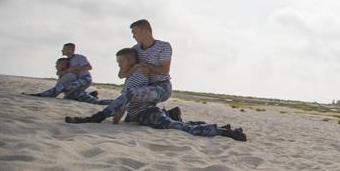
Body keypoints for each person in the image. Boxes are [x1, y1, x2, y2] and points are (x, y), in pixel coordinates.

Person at [67, 49, 245, 141]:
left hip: (148, 114)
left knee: (181, 128)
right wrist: (117, 118)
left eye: (120, 61)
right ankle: (219, 126)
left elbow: (130, 94)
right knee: (178, 124)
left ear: (130, 61)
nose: (119, 64)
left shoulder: (140, 72)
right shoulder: (129, 78)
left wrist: (106, 116)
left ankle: (225, 132)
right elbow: (124, 100)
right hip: (136, 116)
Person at [25, 48, 99, 103]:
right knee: (73, 95)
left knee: (64, 87)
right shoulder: (67, 60)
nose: (62, 50)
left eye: (64, 49)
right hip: (76, 78)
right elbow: (59, 72)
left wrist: (77, 68)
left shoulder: (80, 58)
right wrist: (69, 70)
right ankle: (92, 96)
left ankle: (42, 95)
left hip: (85, 79)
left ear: (70, 50)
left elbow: (89, 67)